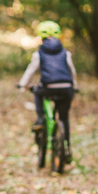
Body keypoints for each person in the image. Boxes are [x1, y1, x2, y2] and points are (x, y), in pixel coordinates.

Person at [18, 21, 77, 160]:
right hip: (67, 88)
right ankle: (67, 148)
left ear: (40, 36)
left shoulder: (40, 53)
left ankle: (40, 118)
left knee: (37, 92)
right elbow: (72, 71)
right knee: (64, 118)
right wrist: (74, 84)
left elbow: (31, 71)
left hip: (48, 87)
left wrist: (23, 85)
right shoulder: (65, 52)